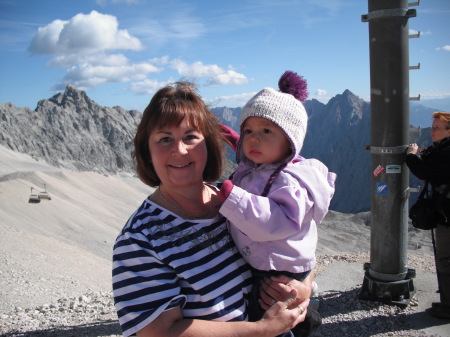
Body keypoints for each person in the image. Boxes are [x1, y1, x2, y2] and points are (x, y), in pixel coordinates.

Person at [112, 81, 312, 337]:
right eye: (164, 139)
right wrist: (261, 330)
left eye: (190, 137)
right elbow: (158, 332)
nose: (179, 150)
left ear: (208, 144)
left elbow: (298, 238)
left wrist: (303, 286)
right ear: (147, 152)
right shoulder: (139, 240)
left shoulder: (238, 199)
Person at [218, 71, 336, 330]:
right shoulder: (266, 164)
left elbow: (274, 221)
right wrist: (238, 142)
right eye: (248, 130)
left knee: (269, 320)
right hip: (269, 261)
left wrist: (230, 195)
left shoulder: (289, 181)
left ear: (290, 141)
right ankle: (306, 321)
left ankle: (301, 324)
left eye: (266, 130)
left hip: (277, 271)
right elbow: (264, 161)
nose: (254, 138)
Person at [406, 111, 450, 319]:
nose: (431, 131)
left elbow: (425, 171)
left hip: (447, 216)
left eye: (436, 128)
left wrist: (411, 156)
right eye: (432, 127)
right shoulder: (444, 148)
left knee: (446, 259)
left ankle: (448, 307)